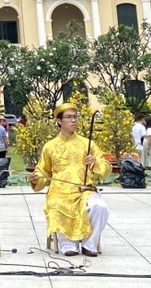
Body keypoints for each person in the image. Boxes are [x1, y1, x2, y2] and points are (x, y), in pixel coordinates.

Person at [29, 103, 111, 257]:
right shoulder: (50, 146)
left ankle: (89, 244)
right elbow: (42, 170)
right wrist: (36, 178)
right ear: (59, 121)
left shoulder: (87, 144)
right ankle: (67, 244)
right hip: (60, 192)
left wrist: (95, 163)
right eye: (68, 117)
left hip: (85, 190)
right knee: (56, 205)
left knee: (100, 207)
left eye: (75, 117)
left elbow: (106, 166)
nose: (73, 120)